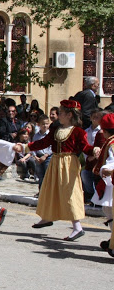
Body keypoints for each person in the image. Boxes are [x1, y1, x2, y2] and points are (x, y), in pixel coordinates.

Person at [26, 100, 99, 241]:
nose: (58, 115)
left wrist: (94, 149)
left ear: (69, 115)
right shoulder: (55, 129)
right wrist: (26, 147)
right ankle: (47, 217)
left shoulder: (78, 132)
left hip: (69, 163)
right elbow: (44, 142)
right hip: (55, 161)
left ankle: (77, 227)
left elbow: (85, 147)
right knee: (50, 190)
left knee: (69, 193)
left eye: (61, 112)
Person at [93, 113, 114, 257]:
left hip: (111, 182)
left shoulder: (112, 144)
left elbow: (112, 161)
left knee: (109, 210)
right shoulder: (110, 143)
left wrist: (107, 169)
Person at [82, 109, 106, 202]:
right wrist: (88, 157)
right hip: (88, 157)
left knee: (97, 177)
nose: (95, 119)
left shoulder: (101, 131)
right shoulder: (86, 131)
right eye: (93, 117)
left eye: (97, 117)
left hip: (98, 158)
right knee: (84, 174)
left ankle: (97, 196)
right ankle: (89, 193)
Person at [32, 114, 52, 191]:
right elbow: (33, 147)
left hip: (48, 157)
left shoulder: (50, 135)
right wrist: (35, 156)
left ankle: (48, 192)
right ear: (39, 124)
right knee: (40, 175)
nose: (45, 126)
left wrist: (46, 155)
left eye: (46, 123)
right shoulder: (36, 136)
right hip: (38, 157)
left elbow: (52, 147)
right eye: (43, 124)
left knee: (48, 175)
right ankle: (41, 191)